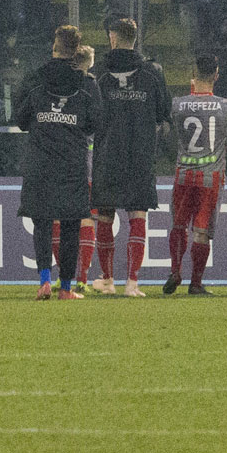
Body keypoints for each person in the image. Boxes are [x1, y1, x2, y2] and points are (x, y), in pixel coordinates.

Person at [13, 25, 101, 299]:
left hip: (40, 161)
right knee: (71, 224)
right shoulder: (87, 84)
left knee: (42, 221)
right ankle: (65, 288)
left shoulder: (36, 79)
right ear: (76, 51)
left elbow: (20, 120)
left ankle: (44, 281)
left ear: (54, 48)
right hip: (72, 163)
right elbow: (95, 122)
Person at [91, 17, 171, 297]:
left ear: (112, 37)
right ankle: (132, 283)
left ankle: (108, 280)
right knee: (137, 214)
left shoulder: (99, 72)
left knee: (104, 215)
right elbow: (163, 112)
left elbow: (91, 113)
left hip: (107, 153)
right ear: (135, 38)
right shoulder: (153, 72)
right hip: (140, 153)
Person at [164, 52, 227, 296]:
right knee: (201, 230)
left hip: (184, 173)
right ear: (216, 75)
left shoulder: (177, 104)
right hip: (211, 175)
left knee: (178, 224)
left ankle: (175, 271)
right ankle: (195, 283)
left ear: (193, 73)